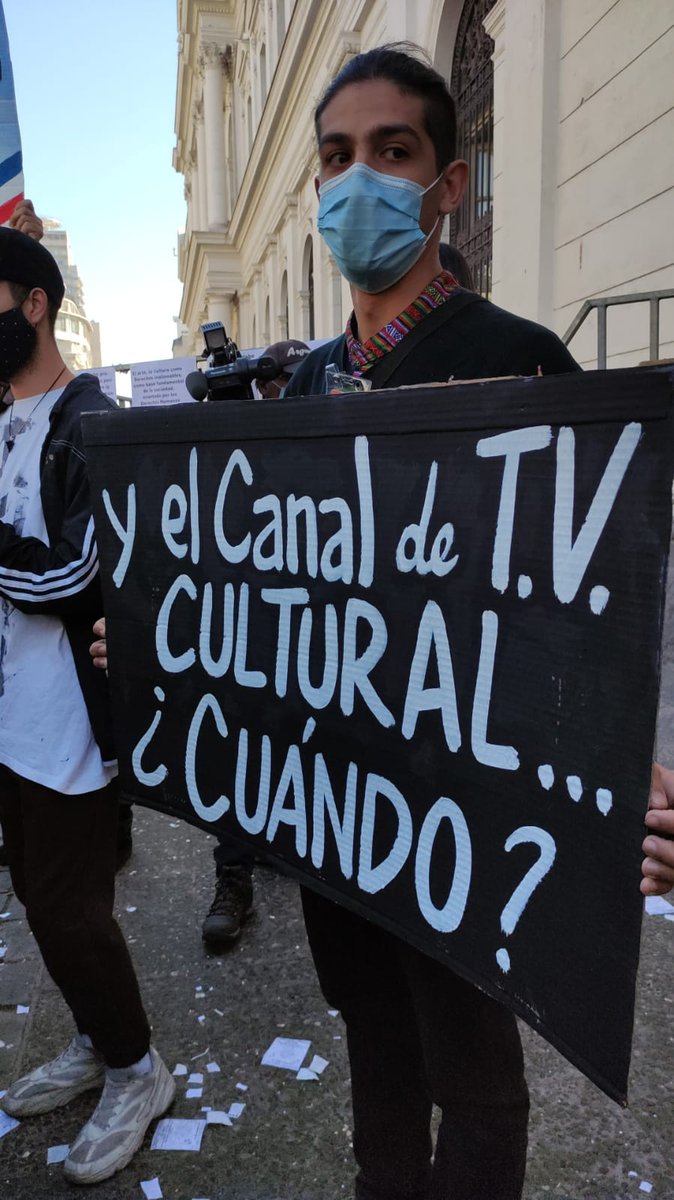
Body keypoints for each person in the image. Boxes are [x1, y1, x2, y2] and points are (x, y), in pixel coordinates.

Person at [281, 43, 582, 1200]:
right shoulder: (304, 386)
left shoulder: (519, 362)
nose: (355, 180)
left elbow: (579, 607)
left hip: (464, 804)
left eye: (390, 151)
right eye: (335, 157)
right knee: (371, 1029)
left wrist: (609, 762)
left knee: (475, 1072)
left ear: (446, 184)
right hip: (337, 797)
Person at [0, 228, 174, 1184]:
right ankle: (96, 1036)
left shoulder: (90, 422)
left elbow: (73, 575)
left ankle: (138, 1070)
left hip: (70, 719)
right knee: (36, 897)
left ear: (33, 304)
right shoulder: (3, 419)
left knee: (73, 910)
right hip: (11, 716)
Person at [199, 336, 312, 946]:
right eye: (271, 384)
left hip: (313, 634)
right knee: (238, 747)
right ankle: (234, 877)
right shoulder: (232, 450)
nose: (277, 393)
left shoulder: (320, 441)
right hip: (247, 630)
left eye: (287, 383)